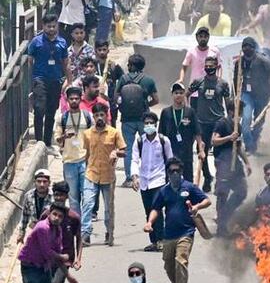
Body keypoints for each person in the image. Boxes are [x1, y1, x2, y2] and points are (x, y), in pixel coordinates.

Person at [146, 157, 210, 283]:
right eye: (171, 171)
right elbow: (156, 208)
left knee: (181, 261)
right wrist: (149, 222)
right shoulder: (164, 191)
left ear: (181, 172)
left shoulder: (189, 188)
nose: (174, 174)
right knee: (169, 265)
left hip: (186, 232)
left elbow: (207, 200)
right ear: (167, 173)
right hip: (169, 234)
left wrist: (197, 207)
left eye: (177, 171)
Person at [82, 102, 125, 246]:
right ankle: (86, 234)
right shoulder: (87, 134)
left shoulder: (114, 132)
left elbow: (124, 151)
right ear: (93, 117)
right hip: (91, 174)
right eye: (96, 115)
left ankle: (109, 231)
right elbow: (86, 154)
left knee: (108, 208)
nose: (99, 118)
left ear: (106, 116)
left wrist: (116, 152)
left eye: (102, 115)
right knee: (87, 204)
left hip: (108, 176)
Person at [131, 112, 173, 251]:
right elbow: (135, 160)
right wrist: (135, 177)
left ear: (156, 124)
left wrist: (172, 179)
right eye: (146, 123)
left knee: (157, 210)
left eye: (151, 123)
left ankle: (161, 239)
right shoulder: (139, 141)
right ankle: (154, 241)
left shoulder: (163, 141)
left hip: (159, 180)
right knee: (148, 210)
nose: (149, 125)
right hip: (144, 181)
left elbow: (170, 160)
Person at [189, 55, 231, 191]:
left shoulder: (223, 84)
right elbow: (186, 94)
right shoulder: (198, 82)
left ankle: (221, 179)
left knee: (220, 152)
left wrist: (231, 119)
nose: (209, 68)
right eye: (206, 66)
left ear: (217, 67)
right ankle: (207, 177)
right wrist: (188, 111)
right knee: (202, 151)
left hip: (218, 121)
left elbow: (228, 102)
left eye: (211, 66)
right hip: (202, 122)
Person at [45, 183, 81, 283]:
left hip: (65, 259)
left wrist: (78, 258)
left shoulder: (73, 217)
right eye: (56, 195)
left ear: (67, 196)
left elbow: (79, 238)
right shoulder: (46, 215)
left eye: (61, 195)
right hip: (47, 258)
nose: (59, 198)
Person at [28, 13, 69, 148]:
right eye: (48, 26)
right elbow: (29, 60)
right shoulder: (36, 42)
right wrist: (31, 80)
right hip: (40, 79)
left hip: (55, 80)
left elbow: (65, 62)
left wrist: (69, 79)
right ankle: (39, 140)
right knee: (39, 108)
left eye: (53, 26)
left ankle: (47, 142)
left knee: (51, 110)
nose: (51, 29)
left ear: (57, 25)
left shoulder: (62, 43)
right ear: (43, 26)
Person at [235, 37, 270, 154]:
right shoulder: (239, 62)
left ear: (254, 48)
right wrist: (236, 94)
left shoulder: (263, 60)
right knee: (246, 120)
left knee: (258, 122)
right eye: (244, 46)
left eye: (249, 46)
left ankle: (254, 139)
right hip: (246, 94)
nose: (247, 49)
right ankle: (249, 146)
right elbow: (236, 79)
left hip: (262, 95)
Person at [56, 89, 91, 214]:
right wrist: (64, 137)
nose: (74, 101)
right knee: (73, 198)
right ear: (68, 100)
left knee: (87, 195)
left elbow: (93, 136)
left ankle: (85, 226)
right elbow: (58, 140)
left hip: (85, 161)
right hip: (69, 162)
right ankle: (77, 224)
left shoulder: (87, 116)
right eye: (72, 98)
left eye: (76, 98)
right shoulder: (62, 118)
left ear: (80, 99)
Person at [159, 83, 197, 182]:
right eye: (176, 93)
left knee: (188, 181)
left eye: (181, 93)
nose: (178, 95)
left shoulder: (190, 112)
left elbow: (197, 132)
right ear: (172, 95)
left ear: (184, 95)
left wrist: (201, 149)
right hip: (170, 152)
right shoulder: (165, 112)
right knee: (170, 181)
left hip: (186, 153)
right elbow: (161, 134)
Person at [17, 169, 53, 244]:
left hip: (50, 232)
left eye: (45, 182)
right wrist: (21, 233)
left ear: (49, 183)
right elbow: (25, 215)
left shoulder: (54, 197)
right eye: (39, 181)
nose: (41, 184)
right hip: (35, 230)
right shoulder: (28, 196)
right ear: (34, 183)